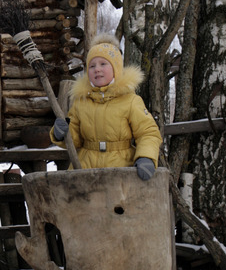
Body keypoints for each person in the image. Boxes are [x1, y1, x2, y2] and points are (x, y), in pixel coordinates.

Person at [50, 33, 162, 180]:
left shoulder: (130, 100)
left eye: (103, 64)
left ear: (116, 68)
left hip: (121, 169)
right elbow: (75, 140)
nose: (97, 69)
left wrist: (146, 157)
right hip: (85, 169)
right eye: (92, 66)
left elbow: (148, 132)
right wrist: (61, 133)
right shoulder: (81, 102)